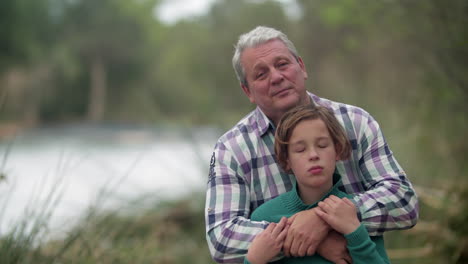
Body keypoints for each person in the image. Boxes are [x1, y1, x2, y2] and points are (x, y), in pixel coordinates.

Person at [205, 26, 418, 263]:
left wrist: (322, 219)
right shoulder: (231, 150)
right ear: (248, 91)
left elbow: (404, 202)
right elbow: (221, 239)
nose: (276, 77)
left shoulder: (355, 122)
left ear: (302, 67)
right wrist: (312, 239)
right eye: (261, 74)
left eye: (282, 64)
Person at [245, 104, 390, 264]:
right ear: (286, 161)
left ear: (337, 150)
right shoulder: (264, 218)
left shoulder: (352, 214)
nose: (313, 155)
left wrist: (355, 232)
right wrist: (253, 260)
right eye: (300, 149)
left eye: (322, 145)